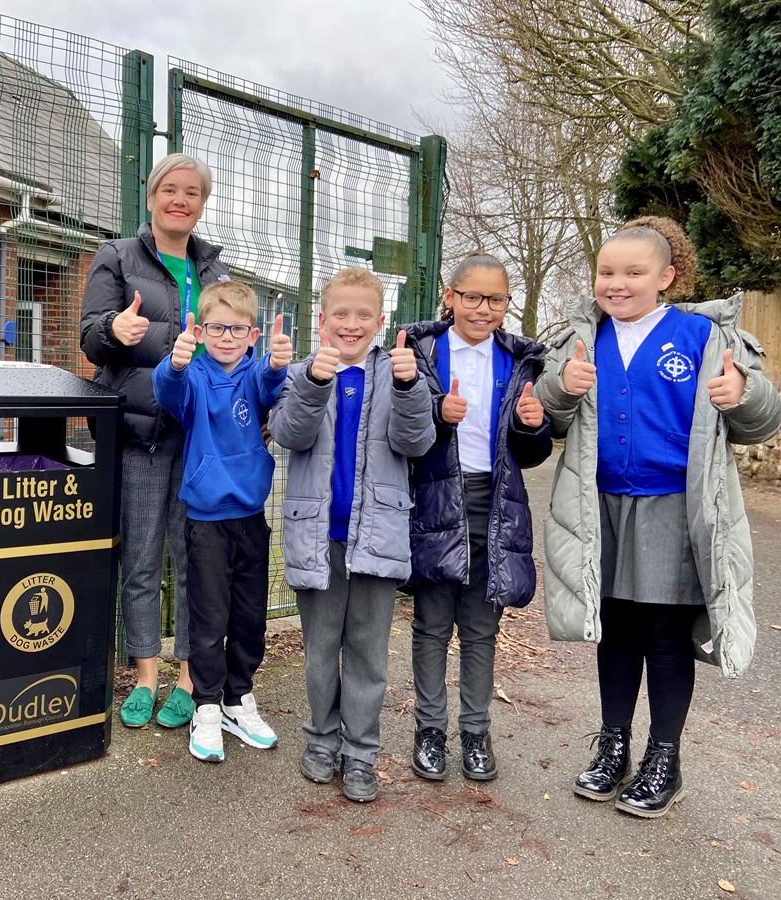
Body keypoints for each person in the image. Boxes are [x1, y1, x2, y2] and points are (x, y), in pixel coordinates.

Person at [534, 216, 781, 818]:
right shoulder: (578, 338)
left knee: (666, 638)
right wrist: (561, 389)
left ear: (667, 277)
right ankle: (613, 744)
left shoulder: (703, 336)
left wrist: (741, 395)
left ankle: (663, 757)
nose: (617, 285)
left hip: (676, 506)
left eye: (634, 273)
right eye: (607, 273)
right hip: (601, 511)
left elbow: (762, 420)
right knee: (615, 632)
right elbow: (545, 416)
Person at [268, 267, 435, 802]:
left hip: (377, 538)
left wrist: (410, 389)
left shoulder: (401, 372)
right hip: (318, 538)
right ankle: (320, 740)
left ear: (381, 322)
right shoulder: (301, 374)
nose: (352, 323)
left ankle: (361, 753)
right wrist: (316, 384)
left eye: (365, 315)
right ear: (321, 319)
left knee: (367, 652)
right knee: (320, 648)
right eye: (341, 313)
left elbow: (418, 443)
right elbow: (289, 434)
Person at [80, 153, 230, 730]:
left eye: (192, 193)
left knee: (194, 560)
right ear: (151, 196)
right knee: (141, 558)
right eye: (170, 189)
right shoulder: (118, 256)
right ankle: (145, 676)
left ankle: (189, 677)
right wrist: (114, 329)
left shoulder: (216, 274)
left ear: (201, 203)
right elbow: (92, 339)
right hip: (140, 433)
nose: (181, 200)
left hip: (200, 441)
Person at [402, 252, 552, 783]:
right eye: (472, 297)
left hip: (496, 500)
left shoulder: (522, 362)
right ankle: (429, 730)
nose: (482, 309)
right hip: (435, 498)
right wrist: (436, 416)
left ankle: (475, 731)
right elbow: (401, 434)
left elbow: (530, 454)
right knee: (432, 622)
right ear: (449, 296)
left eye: (495, 299)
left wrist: (534, 427)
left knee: (482, 624)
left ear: (506, 304)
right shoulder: (418, 352)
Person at [152, 281, 292, 762]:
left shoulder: (255, 375)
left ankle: (238, 699)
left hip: (251, 519)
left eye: (236, 328)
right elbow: (168, 392)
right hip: (207, 522)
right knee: (209, 620)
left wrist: (277, 363)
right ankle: (206, 706)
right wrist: (173, 362)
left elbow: (273, 386)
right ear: (202, 329)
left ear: (252, 334)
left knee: (250, 620)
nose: (226, 336)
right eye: (216, 327)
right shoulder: (193, 376)